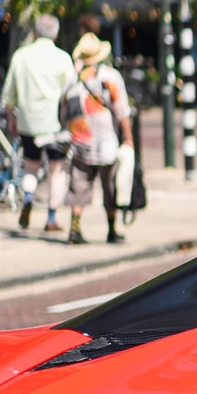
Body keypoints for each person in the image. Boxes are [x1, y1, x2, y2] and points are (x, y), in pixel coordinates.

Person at [2, 15, 74, 234]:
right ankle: (51, 218)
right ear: (55, 34)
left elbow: (8, 94)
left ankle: (28, 199)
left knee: (30, 166)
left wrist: (12, 118)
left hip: (27, 124)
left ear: (35, 32)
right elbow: (71, 93)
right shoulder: (62, 58)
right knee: (57, 170)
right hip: (54, 126)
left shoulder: (21, 56)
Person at [60, 34, 133, 244]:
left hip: (80, 141)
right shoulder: (110, 77)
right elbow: (121, 111)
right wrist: (128, 137)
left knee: (79, 185)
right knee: (110, 185)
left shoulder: (72, 80)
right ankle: (112, 229)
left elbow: (64, 112)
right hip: (105, 142)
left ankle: (74, 228)